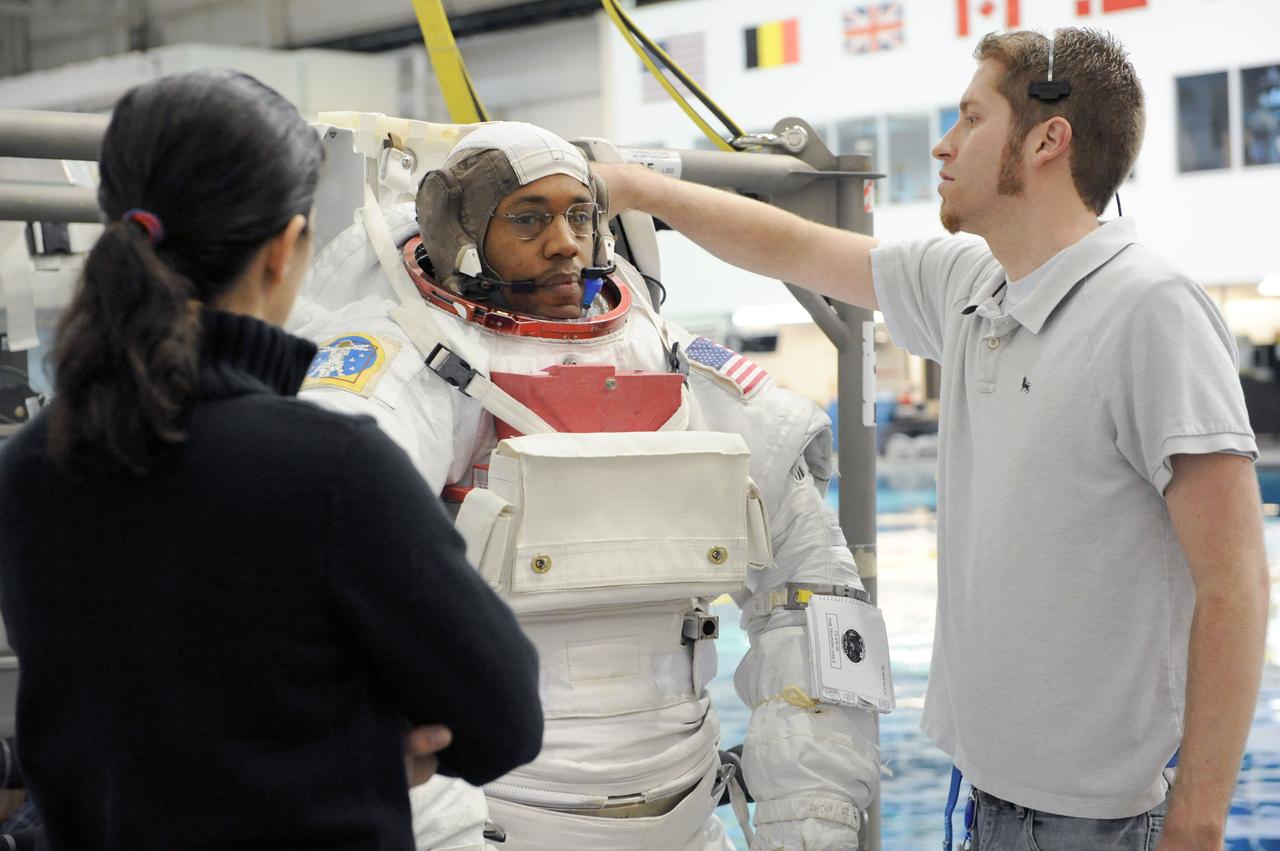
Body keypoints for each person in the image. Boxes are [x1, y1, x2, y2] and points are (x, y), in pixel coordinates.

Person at [596, 27, 1270, 851]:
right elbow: (795, 247)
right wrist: (631, 186)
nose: (943, 146)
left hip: (1110, 821)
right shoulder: (972, 285)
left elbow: (1234, 579)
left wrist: (1197, 823)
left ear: (1047, 139)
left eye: (970, 120)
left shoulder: (1149, 309)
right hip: (987, 796)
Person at [290, 121, 880, 851]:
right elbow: (322, 608)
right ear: (455, 232)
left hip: (690, 823)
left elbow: (815, 602)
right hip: (491, 828)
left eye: (579, 215)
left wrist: (810, 818)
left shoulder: (668, 361)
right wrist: (438, 830)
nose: (566, 242)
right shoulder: (408, 365)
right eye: (530, 219)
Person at [0, 70, 542, 851]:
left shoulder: (30, 466)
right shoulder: (332, 465)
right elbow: (503, 724)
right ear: (285, 249)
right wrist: (352, 736)